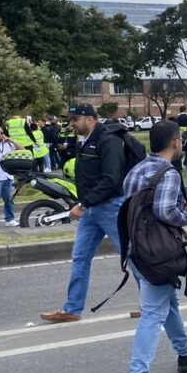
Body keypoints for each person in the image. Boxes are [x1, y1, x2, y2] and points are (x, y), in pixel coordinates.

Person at [117, 119, 187, 373]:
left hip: (136, 251)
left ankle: (185, 349)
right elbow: (166, 211)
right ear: (175, 142)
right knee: (153, 313)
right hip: (159, 254)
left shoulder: (136, 170)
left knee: (167, 302)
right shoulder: (168, 173)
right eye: (180, 139)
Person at [40, 105, 127, 324]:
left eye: (75, 119)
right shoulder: (86, 140)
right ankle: (72, 309)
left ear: (90, 119)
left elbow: (111, 179)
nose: (71, 123)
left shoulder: (108, 141)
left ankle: (153, 303)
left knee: (131, 256)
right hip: (90, 209)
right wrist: (83, 204)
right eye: (70, 119)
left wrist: (84, 204)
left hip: (110, 207)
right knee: (80, 258)